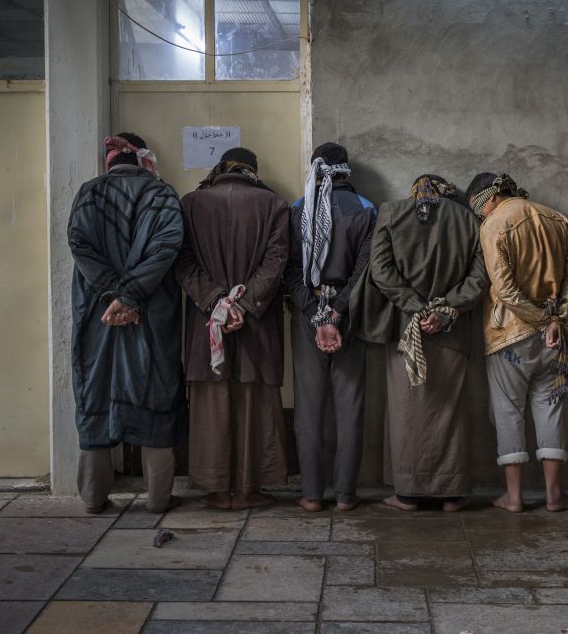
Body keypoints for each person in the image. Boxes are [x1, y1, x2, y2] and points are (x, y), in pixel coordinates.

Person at [352, 174, 487, 511]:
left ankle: (408, 494)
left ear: (414, 191)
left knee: (406, 411)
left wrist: (416, 306)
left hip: (405, 328)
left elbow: (380, 271)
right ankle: (452, 494)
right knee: (450, 412)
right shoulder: (468, 219)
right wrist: (444, 310)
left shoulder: (391, 212)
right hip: (451, 329)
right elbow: (480, 277)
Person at [68, 132, 187, 514]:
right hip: (150, 314)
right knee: (157, 391)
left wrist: (114, 295)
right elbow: (167, 246)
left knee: (95, 391)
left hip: (97, 313)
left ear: (109, 159)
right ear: (141, 159)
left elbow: (79, 244)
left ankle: (92, 497)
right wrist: (131, 296)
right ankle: (158, 499)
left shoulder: (88, 192)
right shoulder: (162, 194)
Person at [175, 148, 290, 510]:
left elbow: (181, 261)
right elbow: (276, 263)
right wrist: (241, 304)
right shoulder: (274, 204)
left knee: (211, 403)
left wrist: (216, 302)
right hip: (256, 321)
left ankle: (216, 489)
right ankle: (248, 489)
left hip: (205, 321)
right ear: (253, 171)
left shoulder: (190, 203)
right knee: (255, 404)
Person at [466, 173, 568, 513]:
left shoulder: (493, 225)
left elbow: (503, 289)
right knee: (551, 409)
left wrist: (537, 319)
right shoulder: (557, 218)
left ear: (488, 199)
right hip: (555, 336)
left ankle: (514, 497)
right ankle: (554, 496)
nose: (479, 214)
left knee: (507, 411)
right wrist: (556, 319)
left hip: (508, 336)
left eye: (478, 208)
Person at [286, 142, 376, 512]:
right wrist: (337, 312)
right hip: (351, 315)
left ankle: (311, 494)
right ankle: (345, 495)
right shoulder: (366, 209)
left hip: (307, 313)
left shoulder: (297, 209)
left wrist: (314, 312)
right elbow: (366, 271)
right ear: (346, 170)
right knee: (349, 406)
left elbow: (288, 269)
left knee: (309, 407)